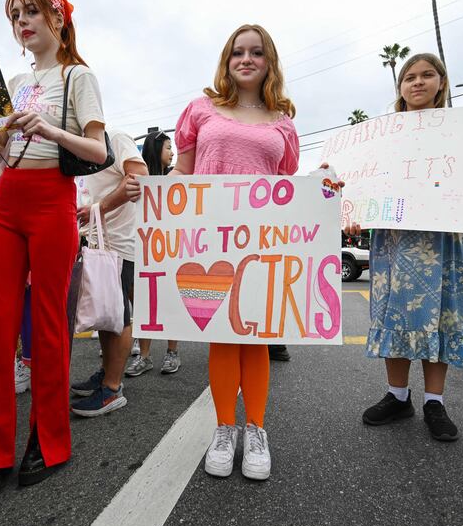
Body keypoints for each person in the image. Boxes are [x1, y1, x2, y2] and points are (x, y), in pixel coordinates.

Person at [0, 0, 109, 508]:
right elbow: (5, 156)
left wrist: (48, 127)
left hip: (52, 201)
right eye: (15, 15)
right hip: (5, 200)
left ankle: (48, 440)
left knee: (48, 323)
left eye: (32, 13)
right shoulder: (17, 81)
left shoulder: (78, 76)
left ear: (58, 21)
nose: (23, 22)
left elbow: (98, 149)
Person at [355, 53, 463, 442]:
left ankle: (434, 401)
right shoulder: (383, 134)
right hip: (395, 239)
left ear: (441, 82)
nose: (417, 82)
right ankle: (398, 395)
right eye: (409, 77)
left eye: (427, 75)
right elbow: (365, 185)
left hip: (443, 240)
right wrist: (353, 208)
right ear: (400, 87)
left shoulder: (454, 132)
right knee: (396, 314)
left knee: (439, 315)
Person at [171, 24, 299, 481]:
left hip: (263, 239)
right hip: (209, 236)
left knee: (256, 332)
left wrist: (324, 191)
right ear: (227, 61)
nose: (246, 60)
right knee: (223, 333)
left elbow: (287, 187)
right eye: (237, 53)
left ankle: (257, 429)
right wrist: (155, 195)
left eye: (256, 53)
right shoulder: (200, 109)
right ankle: (225, 428)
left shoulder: (282, 121)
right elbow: (181, 173)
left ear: (269, 62)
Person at [69, 130, 146, 415]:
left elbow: (138, 177)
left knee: (118, 315)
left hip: (118, 243)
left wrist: (99, 209)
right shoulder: (75, 145)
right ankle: (106, 373)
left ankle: (112, 389)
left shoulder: (115, 137)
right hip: (97, 241)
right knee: (105, 313)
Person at [126, 130, 181, 375]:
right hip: (143, 249)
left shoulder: (174, 177)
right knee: (146, 305)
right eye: (168, 147)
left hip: (170, 249)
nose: (172, 152)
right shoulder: (139, 179)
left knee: (168, 301)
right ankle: (145, 356)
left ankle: (172, 353)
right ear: (155, 148)